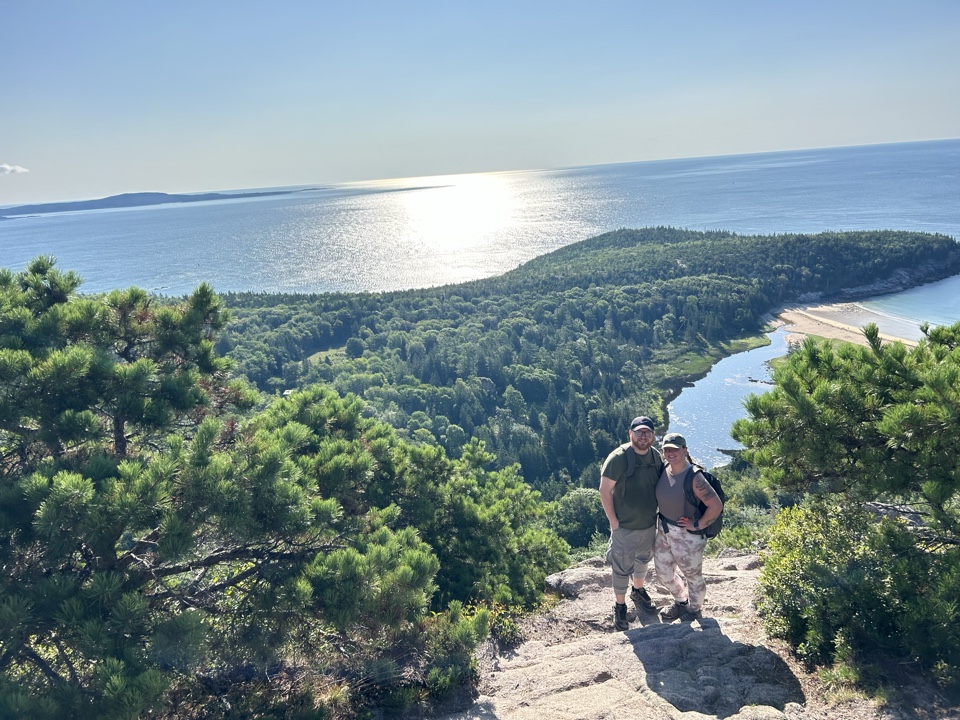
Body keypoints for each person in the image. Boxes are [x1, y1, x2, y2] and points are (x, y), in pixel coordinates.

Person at [599, 416, 665, 631]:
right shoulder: (618, 458)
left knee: (643, 560)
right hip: (625, 526)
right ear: (630, 434)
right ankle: (620, 606)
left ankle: (638, 591)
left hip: (648, 524)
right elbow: (604, 490)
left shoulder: (655, 457)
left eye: (647, 433)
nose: (643, 436)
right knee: (621, 568)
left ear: (653, 436)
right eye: (639, 432)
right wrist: (614, 523)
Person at [654, 432, 723, 622]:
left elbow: (715, 505)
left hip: (688, 535)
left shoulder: (694, 477)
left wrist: (697, 524)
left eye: (675, 449)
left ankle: (694, 610)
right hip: (664, 530)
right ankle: (680, 601)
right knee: (663, 573)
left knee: (693, 576)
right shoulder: (665, 469)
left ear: (684, 450)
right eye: (667, 449)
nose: (670, 453)